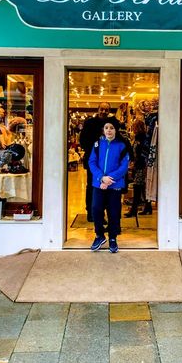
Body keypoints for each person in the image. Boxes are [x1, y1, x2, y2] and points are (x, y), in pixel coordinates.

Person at [88, 118, 130, 253]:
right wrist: (102, 178)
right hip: (99, 184)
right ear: (103, 130)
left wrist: (110, 179)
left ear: (116, 130)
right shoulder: (97, 144)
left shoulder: (122, 145)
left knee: (113, 212)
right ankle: (99, 235)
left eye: (111, 128)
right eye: (106, 128)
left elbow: (124, 166)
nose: (109, 130)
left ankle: (112, 238)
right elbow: (92, 162)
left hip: (115, 185)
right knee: (95, 209)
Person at [79, 102, 116, 221]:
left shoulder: (112, 124)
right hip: (93, 161)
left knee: (106, 187)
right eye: (102, 109)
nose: (104, 112)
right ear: (98, 109)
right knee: (92, 186)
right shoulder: (90, 123)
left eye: (106, 110)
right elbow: (83, 140)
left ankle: (101, 213)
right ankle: (91, 212)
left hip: (108, 161)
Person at [125, 119, 147, 217]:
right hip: (139, 164)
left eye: (134, 126)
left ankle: (134, 209)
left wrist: (135, 163)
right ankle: (148, 207)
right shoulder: (139, 138)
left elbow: (141, 153)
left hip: (141, 165)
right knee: (141, 187)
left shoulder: (141, 138)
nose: (132, 128)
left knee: (137, 187)